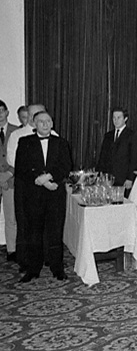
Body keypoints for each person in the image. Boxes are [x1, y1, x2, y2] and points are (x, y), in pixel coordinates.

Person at [15, 110, 73, 282]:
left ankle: (57, 269)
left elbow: (66, 166)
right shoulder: (24, 142)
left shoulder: (61, 142)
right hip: (33, 194)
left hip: (55, 193)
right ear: (34, 124)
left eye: (48, 121)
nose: (46, 124)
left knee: (55, 232)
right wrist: (39, 179)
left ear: (52, 123)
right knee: (34, 232)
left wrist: (49, 177)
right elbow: (21, 168)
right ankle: (33, 269)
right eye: (41, 121)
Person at [6, 104, 53, 272]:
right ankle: (26, 260)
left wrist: (47, 178)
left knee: (47, 224)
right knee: (26, 224)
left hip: (47, 187)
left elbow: (57, 160)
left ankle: (47, 257)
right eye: (36, 114)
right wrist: (38, 177)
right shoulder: (17, 135)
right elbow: (13, 161)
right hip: (26, 187)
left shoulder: (52, 134)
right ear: (31, 116)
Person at [97, 107, 137, 196]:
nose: (116, 120)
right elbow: (102, 157)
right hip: (108, 180)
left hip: (123, 180)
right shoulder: (108, 136)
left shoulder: (133, 135)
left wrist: (130, 178)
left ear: (125, 119)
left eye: (119, 117)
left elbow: (135, 159)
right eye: (114, 118)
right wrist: (100, 175)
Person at [0, 100, 20, 261]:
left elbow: (20, 158)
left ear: (7, 112)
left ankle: (12, 250)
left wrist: (8, 175)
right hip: (1, 180)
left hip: (11, 181)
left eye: (2, 111)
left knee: (11, 217)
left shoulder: (16, 131)